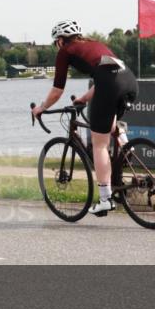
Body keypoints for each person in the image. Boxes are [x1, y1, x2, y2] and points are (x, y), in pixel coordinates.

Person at [31, 20, 137, 216]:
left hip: (110, 85)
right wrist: (83, 98)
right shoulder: (94, 44)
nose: (57, 45)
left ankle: (105, 199)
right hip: (129, 81)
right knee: (108, 124)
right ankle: (125, 145)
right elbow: (107, 75)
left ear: (61, 40)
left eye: (56, 42)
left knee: (99, 144)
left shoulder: (66, 51)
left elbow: (57, 91)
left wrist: (41, 108)